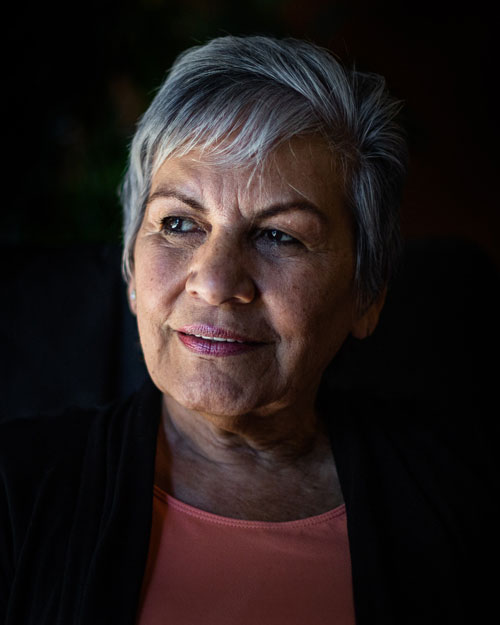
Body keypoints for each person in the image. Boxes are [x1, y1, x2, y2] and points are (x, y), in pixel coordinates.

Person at [1, 35, 497, 625]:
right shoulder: (13, 490)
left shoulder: (473, 499)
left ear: (367, 296)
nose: (213, 283)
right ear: (131, 271)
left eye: (278, 235)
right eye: (179, 223)